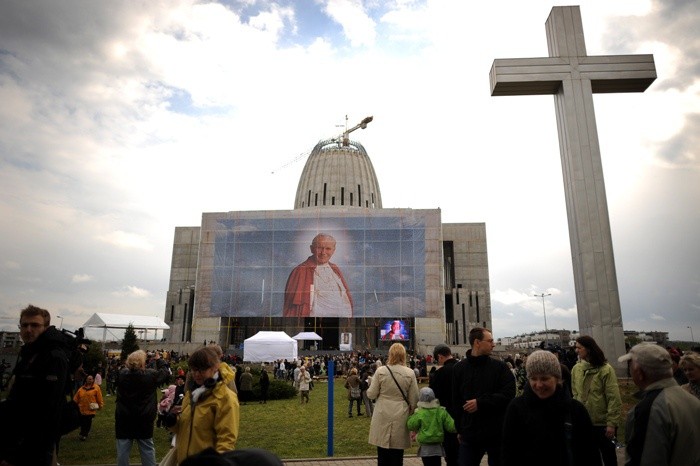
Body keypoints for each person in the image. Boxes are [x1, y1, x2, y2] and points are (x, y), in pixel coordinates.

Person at [501, 350, 601, 466]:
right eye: (533, 379)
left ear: (558, 379)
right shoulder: (516, 408)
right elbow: (508, 453)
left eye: (544, 379)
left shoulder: (576, 410)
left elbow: (590, 453)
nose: (538, 385)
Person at [0, 305, 70, 466]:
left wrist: (14, 452)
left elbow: (46, 409)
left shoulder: (53, 356)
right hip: (18, 437)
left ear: (45, 327)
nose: (29, 330)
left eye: (35, 325)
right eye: (24, 325)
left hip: (34, 445)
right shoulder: (29, 352)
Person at [618, 343, 700, 466]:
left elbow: (646, 459)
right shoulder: (692, 400)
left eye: (630, 366)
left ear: (639, 373)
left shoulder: (650, 409)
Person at [451, 327, 515, 466]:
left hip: (496, 432)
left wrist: (481, 403)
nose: (493, 344)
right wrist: (460, 429)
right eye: (490, 341)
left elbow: (509, 394)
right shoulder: (459, 369)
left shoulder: (500, 367)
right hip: (470, 434)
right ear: (477, 342)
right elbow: (456, 402)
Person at [165, 347, 239, 464]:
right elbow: (186, 428)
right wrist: (173, 422)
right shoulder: (191, 395)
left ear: (215, 368)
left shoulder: (225, 398)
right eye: (193, 370)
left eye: (201, 370)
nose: (196, 374)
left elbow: (226, 440)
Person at [571, 335, 622, 466]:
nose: (576, 350)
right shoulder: (576, 369)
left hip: (603, 425)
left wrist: (611, 423)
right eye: (575, 347)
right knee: (590, 458)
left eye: (579, 347)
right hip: (584, 423)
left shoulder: (606, 369)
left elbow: (613, 397)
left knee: (609, 457)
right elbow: (575, 394)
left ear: (589, 349)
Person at [115, 349, 170, 466]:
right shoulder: (150, 375)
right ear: (142, 363)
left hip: (124, 417)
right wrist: (159, 359)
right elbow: (165, 372)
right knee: (147, 448)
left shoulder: (122, 374)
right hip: (144, 418)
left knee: (122, 449)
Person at [367, 343, 419, 466]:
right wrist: (409, 411)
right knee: (397, 453)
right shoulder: (410, 373)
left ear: (390, 355)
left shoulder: (381, 371)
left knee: (382, 452)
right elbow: (414, 399)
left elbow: (371, 394)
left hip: (382, 412)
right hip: (400, 413)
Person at [283, 233, 353, 317]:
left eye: (328, 249)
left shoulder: (335, 268)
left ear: (333, 250)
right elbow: (292, 308)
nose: (323, 252)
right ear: (311, 249)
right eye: (319, 248)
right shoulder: (300, 271)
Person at [407, 387, 456, 466]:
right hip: (437, 446)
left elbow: (411, 425)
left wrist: (411, 415)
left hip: (425, 447)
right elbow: (452, 427)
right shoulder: (441, 411)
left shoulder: (420, 413)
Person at [429, 344, 460, 466]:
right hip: (465, 415)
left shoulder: (440, 373)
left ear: (440, 357)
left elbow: (433, 395)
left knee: (451, 455)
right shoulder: (463, 368)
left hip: (447, 417)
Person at [73, 375, 104, 441]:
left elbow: (99, 397)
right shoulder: (81, 388)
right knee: (82, 422)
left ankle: (84, 434)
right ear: (86, 380)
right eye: (88, 379)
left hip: (91, 409)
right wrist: (74, 404)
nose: (89, 380)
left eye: (90, 379)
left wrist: (100, 405)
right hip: (81, 409)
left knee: (87, 422)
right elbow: (76, 398)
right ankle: (82, 433)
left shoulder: (96, 388)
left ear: (93, 380)